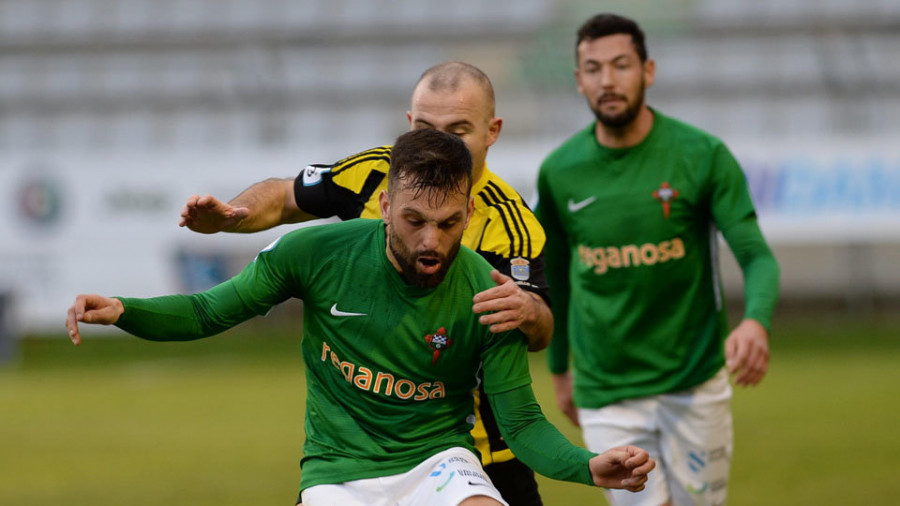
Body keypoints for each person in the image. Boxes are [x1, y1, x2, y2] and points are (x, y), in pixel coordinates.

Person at [66, 129, 655, 506]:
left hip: (439, 465)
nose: (432, 241)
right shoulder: (317, 253)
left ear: (469, 211)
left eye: (450, 224)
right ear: (384, 205)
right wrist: (125, 311)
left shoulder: (487, 291)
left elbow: (522, 425)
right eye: (414, 220)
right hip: (337, 473)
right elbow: (206, 311)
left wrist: (588, 467)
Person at [178, 62, 552, 505]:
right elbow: (283, 196)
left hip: (476, 452)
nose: (441, 143)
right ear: (409, 125)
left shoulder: (510, 226)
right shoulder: (376, 173)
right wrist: (232, 217)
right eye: (427, 127)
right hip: (362, 451)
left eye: (459, 130)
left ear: (492, 131)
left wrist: (530, 313)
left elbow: (540, 330)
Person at [535, 13, 780, 506]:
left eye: (621, 65)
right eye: (593, 68)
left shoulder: (701, 154)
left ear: (648, 71)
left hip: (694, 382)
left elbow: (756, 256)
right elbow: (553, 277)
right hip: (606, 390)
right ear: (579, 81)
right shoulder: (559, 173)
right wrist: (560, 369)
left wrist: (755, 321)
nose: (608, 80)